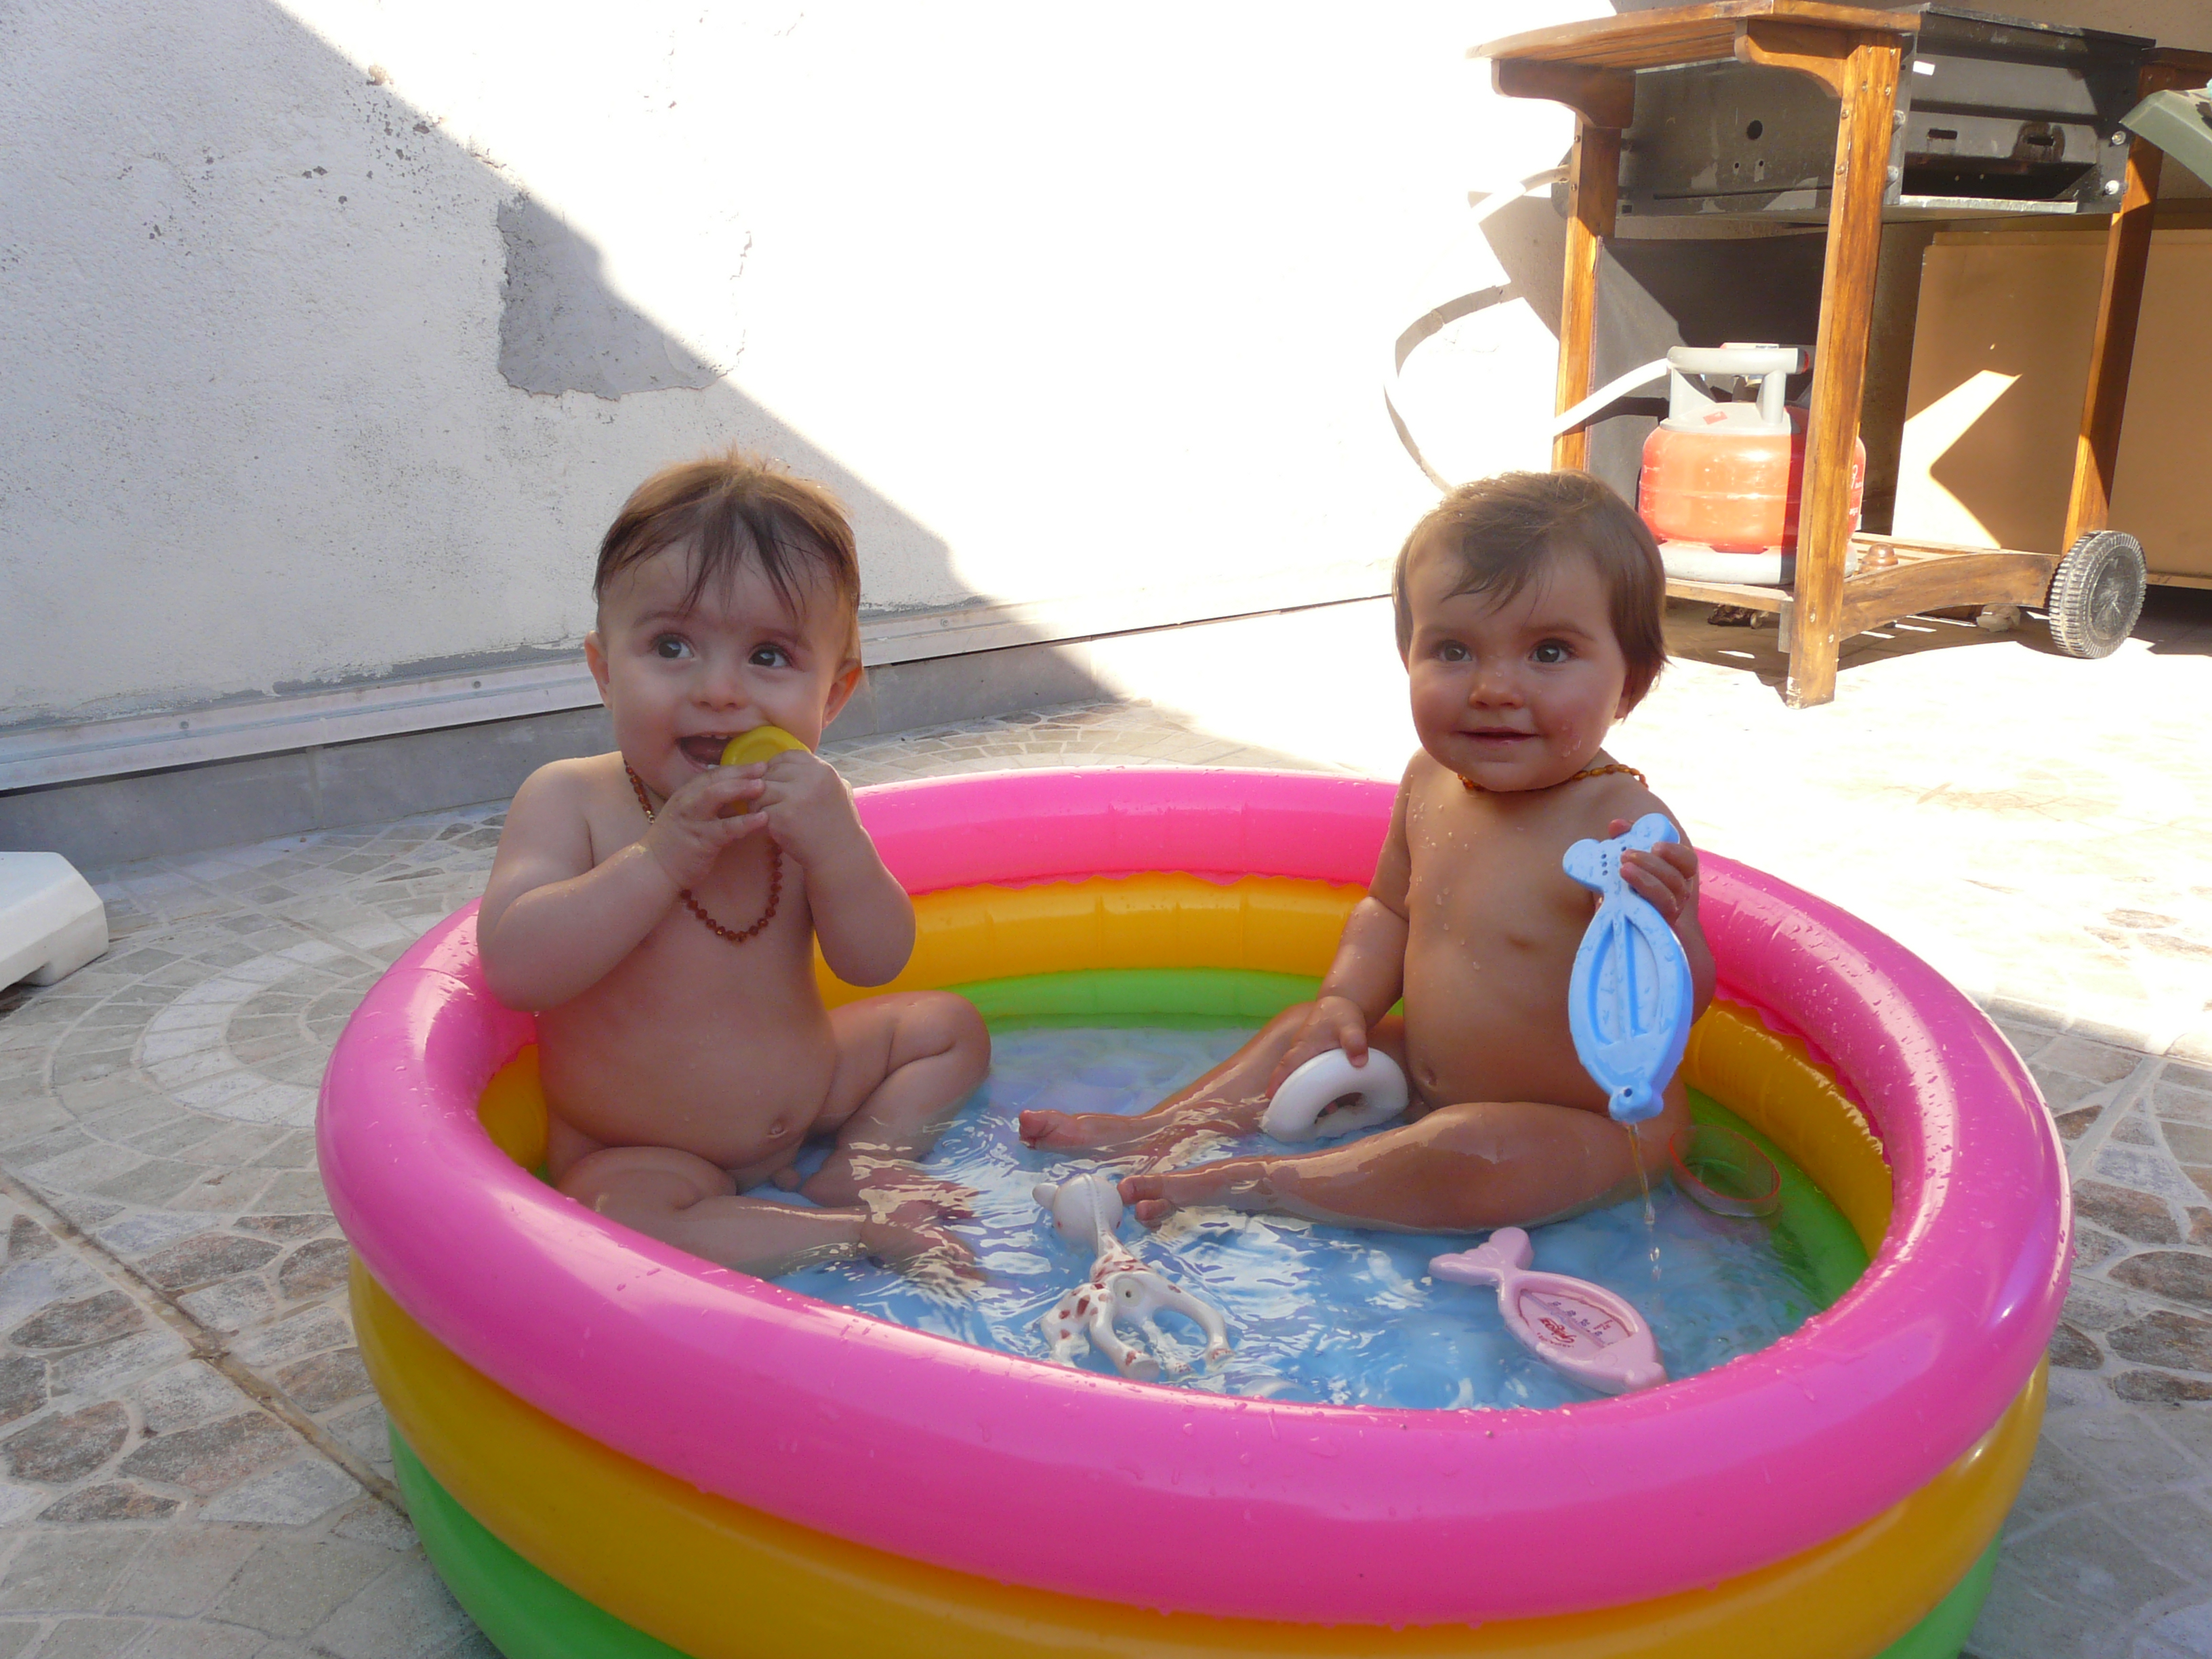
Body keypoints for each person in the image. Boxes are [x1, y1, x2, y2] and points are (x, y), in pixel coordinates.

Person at [1020, 471, 1714, 1234]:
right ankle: (1159, 1131)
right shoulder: (1430, 782)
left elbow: (1682, 1005)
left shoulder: (1622, 826)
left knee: (1471, 1150)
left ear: (1630, 684)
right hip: (1422, 1072)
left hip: (1583, 1126)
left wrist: (1663, 924)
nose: (1493, 687)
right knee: (1298, 1031)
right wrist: (1345, 1004)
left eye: (1549, 652)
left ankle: (1268, 1183)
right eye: (1453, 649)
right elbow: (1389, 910)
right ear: (1407, 657)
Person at [478, 451, 988, 1281]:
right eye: (672, 645)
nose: (719, 690)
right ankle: (854, 1233)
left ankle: (865, 1165)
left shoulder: (808, 805)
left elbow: (876, 961)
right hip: (641, 1150)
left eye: (769, 657)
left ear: (833, 695)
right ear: (604, 671)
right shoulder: (572, 800)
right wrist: (659, 861)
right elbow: (514, 967)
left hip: (812, 1088)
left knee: (947, 1029)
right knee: (612, 1220)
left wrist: (840, 850)